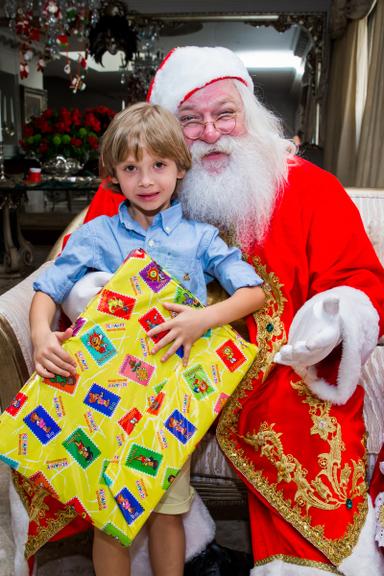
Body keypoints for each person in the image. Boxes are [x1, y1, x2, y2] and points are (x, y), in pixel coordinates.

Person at [67, 47, 384, 575]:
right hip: (162, 362)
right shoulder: (140, 185)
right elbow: (77, 270)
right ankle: (183, 550)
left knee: (303, 415)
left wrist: (333, 317)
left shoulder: (308, 187)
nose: (210, 132)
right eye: (190, 120)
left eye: (224, 114)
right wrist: (96, 294)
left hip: (275, 367)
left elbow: (359, 279)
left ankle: (297, 562)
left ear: (250, 116)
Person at [29, 101, 265, 576]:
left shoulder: (200, 238)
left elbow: (253, 291)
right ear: (114, 174)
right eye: (131, 168)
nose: (147, 180)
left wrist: (203, 319)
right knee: (107, 515)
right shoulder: (97, 234)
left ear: (180, 166)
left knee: (168, 509)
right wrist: (39, 335)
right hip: (105, 396)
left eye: (159, 165)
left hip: (171, 398)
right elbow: (47, 287)